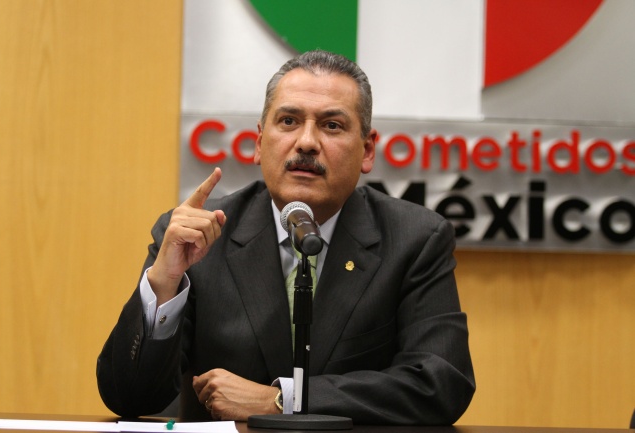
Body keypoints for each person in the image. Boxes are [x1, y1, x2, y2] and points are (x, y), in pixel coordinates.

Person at [97, 50, 475, 425]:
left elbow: (441, 383)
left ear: (367, 150)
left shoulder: (414, 239)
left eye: (332, 125)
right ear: (260, 142)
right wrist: (164, 283)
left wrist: (283, 400)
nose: (306, 142)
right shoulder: (201, 238)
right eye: (289, 121)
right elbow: (129, 397)